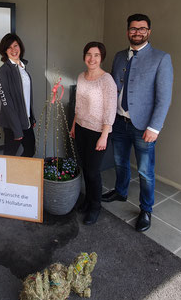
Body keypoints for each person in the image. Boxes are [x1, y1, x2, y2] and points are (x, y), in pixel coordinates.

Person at [102, 14, 173, 232]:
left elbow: (164, 97)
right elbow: (113, 88)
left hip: (143, 127)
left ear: (149, 31)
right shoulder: (120, 56)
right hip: (119, 121)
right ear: (127, 31)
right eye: (133, 29)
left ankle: (146, 209)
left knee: (145, 171)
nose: (137, 32)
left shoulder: (161, 58)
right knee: (120, 162)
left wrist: (155, 127)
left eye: (142, 29)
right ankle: (121, 192)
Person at [70, 42, 117, 225]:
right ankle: (88, 200)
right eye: (89, 54)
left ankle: (95, 206)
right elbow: (78, 105)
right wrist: (74, 125)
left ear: (101, 58)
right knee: (85, 168)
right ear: (84, 56)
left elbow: (110, 110)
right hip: (81, 128)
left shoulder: (107, 81)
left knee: (93, 171)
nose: (92, 58)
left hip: (99, 131)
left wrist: (104, 135)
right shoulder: (81, 76)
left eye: (96, 55)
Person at [0, 33, 35, 157]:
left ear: (20, 47)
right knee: (9, 157)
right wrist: (17, 130)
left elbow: (26, 96)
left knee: (30, 150)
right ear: (4, 51)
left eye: (15, 46)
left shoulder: (22, 68)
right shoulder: (3, 72)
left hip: (26, 120)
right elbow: (7, 104)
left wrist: (31, 117)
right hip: (13, 123)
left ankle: (20, 176)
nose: (14, 50)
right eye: (9, 47)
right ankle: (10, 177)